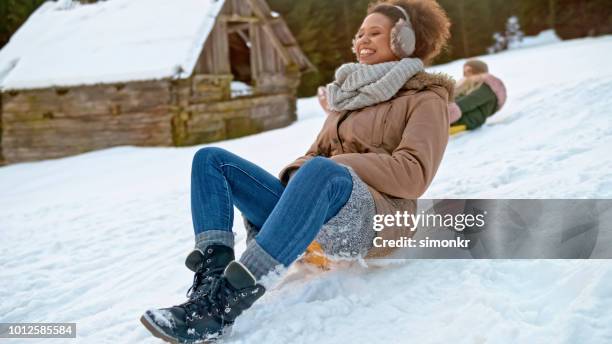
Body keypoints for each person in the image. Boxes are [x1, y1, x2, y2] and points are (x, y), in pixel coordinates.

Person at [140, 1, 453, 342]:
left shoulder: (426, 98)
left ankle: (224, 303)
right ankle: (212, 277)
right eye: (360, 33)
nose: (362, 39)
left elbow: (413, 174)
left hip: (376, 221)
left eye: (374, 32)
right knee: (211, 159)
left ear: (404, 40)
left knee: (323, 171)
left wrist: (334, 167)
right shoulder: (351, 97)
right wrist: (300, 184)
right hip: (321, 206)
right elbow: (314, 156)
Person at [448, 59, 507, 130]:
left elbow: (467, 102)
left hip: (469, 120)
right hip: (459, 116)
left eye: (468, 70)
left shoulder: (486, 88)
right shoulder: (468, 85)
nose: (465, 73)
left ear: (477, 70)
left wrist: (441, 113)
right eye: (464, 70)